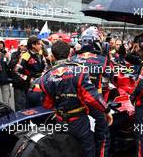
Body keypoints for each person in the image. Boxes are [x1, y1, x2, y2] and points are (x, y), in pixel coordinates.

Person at [39, 40, 113, 157]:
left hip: (59, 121)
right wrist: (107, 110)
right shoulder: (79, 70)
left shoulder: (45, 77)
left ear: (52, 56)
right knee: (88, 151)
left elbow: (46, 104)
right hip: (79, 121)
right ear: (69, 54)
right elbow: (92, 98)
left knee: (64, 151)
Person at [71, 26, 111, 157]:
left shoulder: (72, 59)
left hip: (76, 103)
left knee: (80, 138)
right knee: (103, 135)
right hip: (95, 102)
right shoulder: (103, 60)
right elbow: (108, 78)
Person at [14, 36, 48, 109]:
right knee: (31, 107)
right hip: (30, 86)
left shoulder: (40, 54)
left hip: (41, 82)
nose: (41, 45)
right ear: (33, 45)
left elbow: (45, 65)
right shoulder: (25, 56)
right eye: (39, 44)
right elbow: (16, 71)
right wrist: (29, 79)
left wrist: (43, 74)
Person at [8, 40, 28, 111]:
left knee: (26, 102)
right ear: (20, 46)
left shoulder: (29, 55)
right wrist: (19, 58)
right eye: (23, 46)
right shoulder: (14, 54)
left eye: (26, 46)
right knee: (18, 102)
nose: (25, 47)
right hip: (17, 82)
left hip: (26, 81)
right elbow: (10, 65)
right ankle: (19, 119)